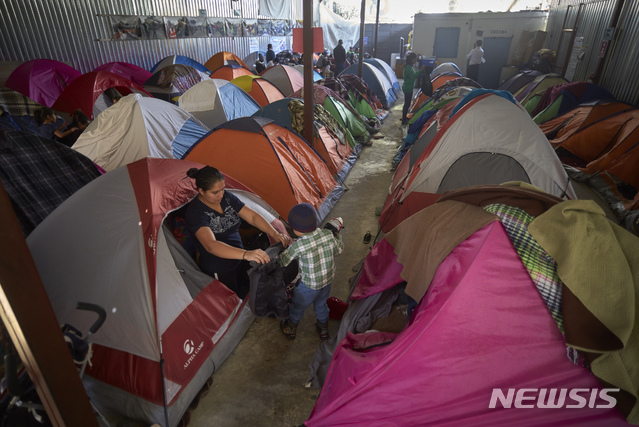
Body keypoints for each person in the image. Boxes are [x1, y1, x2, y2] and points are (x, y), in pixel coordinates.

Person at [185, 166, 291, 298]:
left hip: (239, 257)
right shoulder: (196, 213)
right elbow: (211, 245)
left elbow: (252, 216)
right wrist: (246, 254)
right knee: (230, 297)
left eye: (223, 189)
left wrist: (274, 233)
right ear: (201, 191)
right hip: (219, 267)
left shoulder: (226, 198)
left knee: (246, 287)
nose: (221, 194)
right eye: (215, 192)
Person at [278, 203, 344, 340]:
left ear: (295, 229)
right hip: (327, 281)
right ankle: (323, 329)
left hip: (308, 286)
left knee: (298, 307)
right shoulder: (327, 235)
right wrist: (338, 236)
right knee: (321, 304)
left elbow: (283, 261)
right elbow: (339, 249)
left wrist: (278, 255)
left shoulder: (298, 245)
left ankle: (290, 328)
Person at [401, 52, 423, 125]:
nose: (415, 61)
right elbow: (413, 76)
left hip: (407, 87)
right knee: (407, 104)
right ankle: (404, 119)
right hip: (408, 88)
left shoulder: (409, 67)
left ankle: (404, 117)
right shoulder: (408, 68)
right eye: (415, 59)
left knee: (407, 104)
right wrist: (421, 70)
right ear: (412, 59)